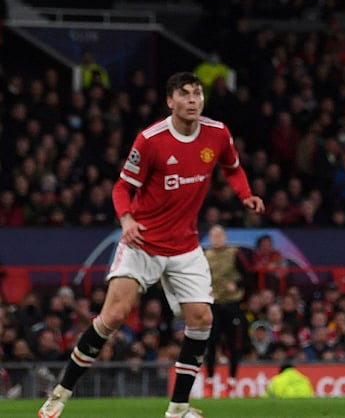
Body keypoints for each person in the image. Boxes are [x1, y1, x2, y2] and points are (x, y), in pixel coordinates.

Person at [39, 71, 264, 418]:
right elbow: (120, 188)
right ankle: (60, 394)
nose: (193, 100)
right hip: (143, 243)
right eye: (185, 94)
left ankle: (178, 409)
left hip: (186, 246)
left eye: (198, 94)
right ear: (170, 101)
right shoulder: (151, 140)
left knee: (202, 319)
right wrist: (127, 220)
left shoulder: (217, 134)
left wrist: (246, 195)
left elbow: (233, 168)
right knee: (112, 317)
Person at [204, 224, 250, 391]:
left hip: (232, 303)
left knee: (234, 342)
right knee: (211, 341)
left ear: (225, 237)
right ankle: (209, 379)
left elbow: (248, 275)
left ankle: (232, 379)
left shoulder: (234, 253)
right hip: (214, 303)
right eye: (213, 236)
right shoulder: (205, 255)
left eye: (219, 236)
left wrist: (236, 284)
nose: (216, 239)